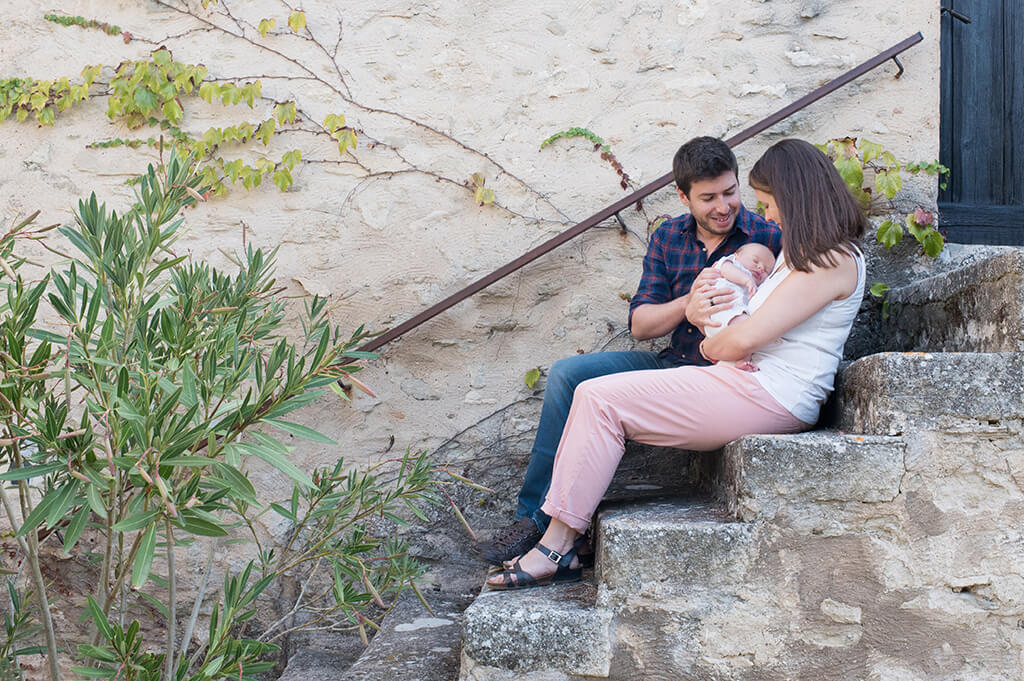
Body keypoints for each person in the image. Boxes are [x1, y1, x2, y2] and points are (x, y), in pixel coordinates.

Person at [486, 138, 868, 589]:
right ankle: (555, 537)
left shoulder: (831, 259)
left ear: (793, 195)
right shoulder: (800, 258)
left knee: (600, 399)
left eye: (768, 203)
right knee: (586, 386)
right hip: (744, 380)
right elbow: (698, 332)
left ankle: (555, 546)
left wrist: (717, 344)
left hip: (770, 392)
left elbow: (741, 338)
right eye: (763, 205)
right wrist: (719, 337)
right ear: (685, 197)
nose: (767, 216)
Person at [705, 242, 775, 370]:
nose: (760, 268)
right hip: (722, 312)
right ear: (736, 256)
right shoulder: (729, 263)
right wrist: (746, 279)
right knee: (750, 330)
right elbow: (728, 271)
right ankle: (741, 359)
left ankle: (738, 363)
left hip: (730, 318)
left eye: (766, 270)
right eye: (755, 261)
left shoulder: (756, 286)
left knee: (747, 335)